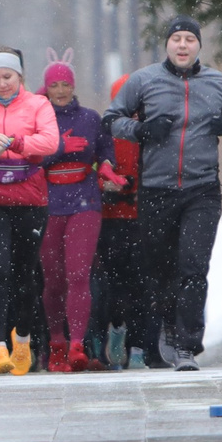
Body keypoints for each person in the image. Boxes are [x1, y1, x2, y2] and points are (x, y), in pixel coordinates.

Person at [109, 16, 222, 372]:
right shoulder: (144, 81)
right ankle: (168, 328)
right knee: (159, 269)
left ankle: (187, 344)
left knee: (193, 267)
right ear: (167, 44)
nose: (183, 45)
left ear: (199, 45)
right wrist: (142, 130)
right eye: (177, 38)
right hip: (156, 189)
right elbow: (112, 119)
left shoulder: (220, 83)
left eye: (190, 38)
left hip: (201, 189)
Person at [0, 46, 59, 375]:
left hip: (30, 198)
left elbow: (50, 142)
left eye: (8, 77)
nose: (2, 84)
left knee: (25, 274)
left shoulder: (38, 104)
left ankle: (23, 340)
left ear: (20, 76)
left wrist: (15, 142)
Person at [38, 55, 117, 373]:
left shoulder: (90, 117)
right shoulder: (38, 119)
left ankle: (77, 345)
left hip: (85, 200)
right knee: (54, 280)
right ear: (46, 88)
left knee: (78, 275)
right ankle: (56, 343)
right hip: (48, 201)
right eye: (55, 84)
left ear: (74, 86)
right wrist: (58, 147)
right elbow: (29, 157)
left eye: (66, 84)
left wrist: (108, 168)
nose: (60, 90)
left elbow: (105, 148)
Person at [90, 71, 147, 370]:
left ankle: (137, 345)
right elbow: (96, 167)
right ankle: (111, 334)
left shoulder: (147, 131)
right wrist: (108, 186)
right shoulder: (106, 129)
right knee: (111, 284)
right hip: (111, 219)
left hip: (140, 217)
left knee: (140, 284)